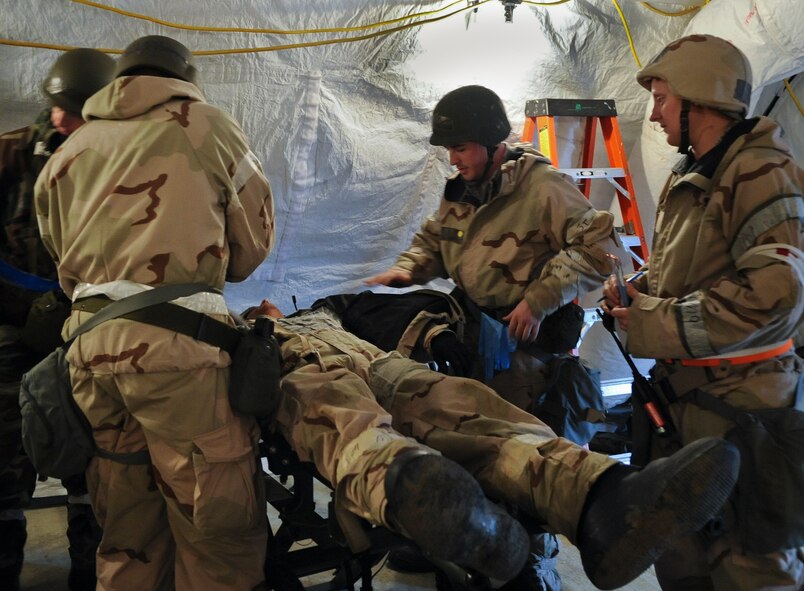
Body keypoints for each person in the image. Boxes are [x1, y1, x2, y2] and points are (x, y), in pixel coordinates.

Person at [244, 296, 741, 590]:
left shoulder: (327, 308)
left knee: (463, 402)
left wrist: (434, 333)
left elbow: (384, 308)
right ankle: (417, 489)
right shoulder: (240, 330)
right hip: (299, 372)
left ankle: (599, 496)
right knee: (341, 419)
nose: (264, 303)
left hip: (377, 362)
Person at [33, 35, 275, 591]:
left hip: (89, 357)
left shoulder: (69, 148)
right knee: (216, 534)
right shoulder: (207, 125)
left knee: (126, 537)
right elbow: (253, 245)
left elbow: (58, 254)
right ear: (183, 78)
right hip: (180, 358)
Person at [365, 84, 621, 586]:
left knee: (525, 452)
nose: (453, 159)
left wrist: (540, 298)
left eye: (460, 148)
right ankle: (475, 547)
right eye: (449, 150)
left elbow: (602, 248)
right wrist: (406, 270)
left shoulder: (542, 187)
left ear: (490, 142)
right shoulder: (463, 188)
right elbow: (436, 240)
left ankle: (530, 562)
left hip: (528, 346)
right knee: (472, 443)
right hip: (480, 334)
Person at [602, 34, 804, 590]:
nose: (655, 114)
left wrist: (650, 323)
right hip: (689, 409)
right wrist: (638, 292)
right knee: (683, 562)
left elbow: (775, 296)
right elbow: (690, 271)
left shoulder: (760, 171)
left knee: (749, 568)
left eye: (663, 99)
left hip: (746, 415)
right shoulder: (695, 171)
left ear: (701, 100)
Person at [0, 47, 115, 591]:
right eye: (57, 108)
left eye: (77, 111)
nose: (62, 120)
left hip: (90, 331)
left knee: (95, 457)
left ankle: (92, 571)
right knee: (4, 453)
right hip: (14, 327)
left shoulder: (120, 165)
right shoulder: (13, 154)